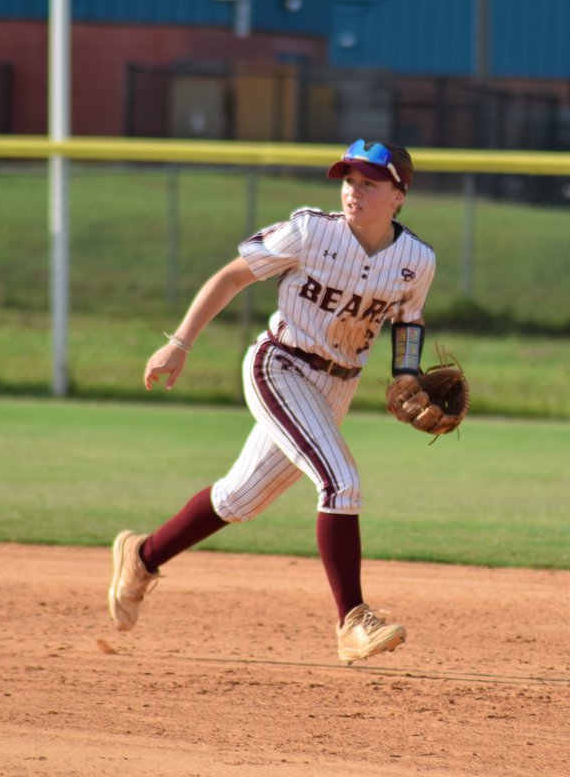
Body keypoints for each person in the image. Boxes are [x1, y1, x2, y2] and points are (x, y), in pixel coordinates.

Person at [108, 139, 436, 665]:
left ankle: (141, 556)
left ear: (399, 195)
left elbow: (408, 321)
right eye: (348, 181)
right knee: (340, 481)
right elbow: (232, 276)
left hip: (337, 386)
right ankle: (352, 621)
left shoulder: (417, 260)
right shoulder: (310, 232)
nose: (353, 192)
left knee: (239, 500)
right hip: (280, 366)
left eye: (368, 184)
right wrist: (180, 342)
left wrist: (407, 375)